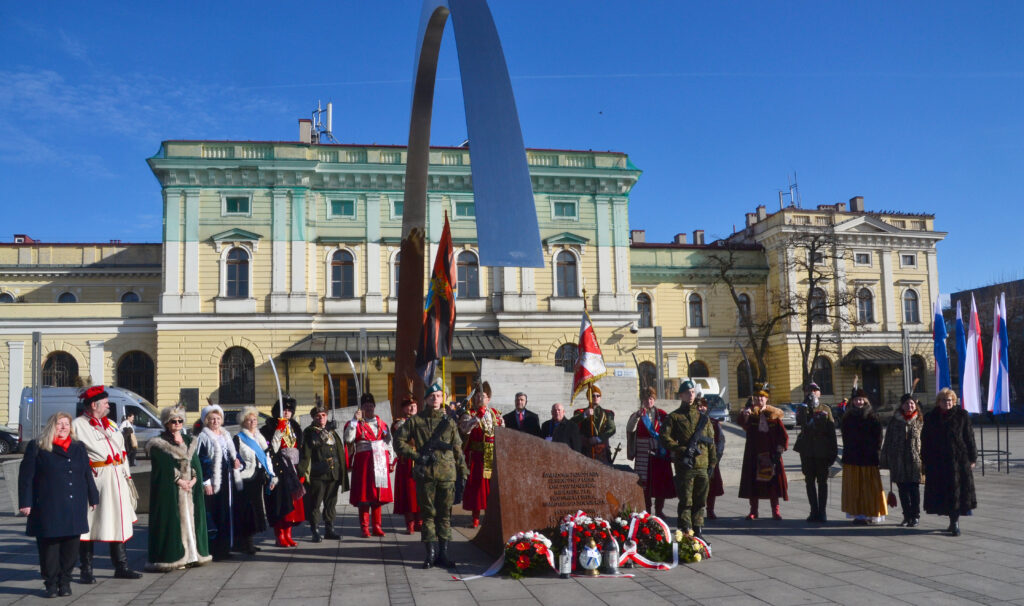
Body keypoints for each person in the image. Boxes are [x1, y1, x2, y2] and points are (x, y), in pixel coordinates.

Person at [19, 412, 99, 598]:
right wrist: (25, 503)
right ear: (51, 426)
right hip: (49, 505)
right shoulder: (38, 446)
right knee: (50, 549)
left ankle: (65, 582)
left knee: (71, 548)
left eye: (66, 424)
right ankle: (51, 584)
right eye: (59, 424)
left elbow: (86, 473)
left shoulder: (78, 447)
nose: (63, 427)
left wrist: (93, 496)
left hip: (74, 504)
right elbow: (26, 478)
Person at [394, 380, 469, 569]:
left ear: (443, 398)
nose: (435, 399)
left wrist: (463, 470)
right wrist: (416, 456)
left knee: (444, 516)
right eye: (432, 396)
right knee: (428, 515)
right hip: (426, 474)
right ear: (426, 399)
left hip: (447, 474)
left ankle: (444, 553)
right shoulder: (416, 421)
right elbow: (398, 441)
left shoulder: (450, 422)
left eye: (438, 396)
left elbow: (457, 448)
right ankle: (430, 554)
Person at [72, 385, 141, 583]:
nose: (108, 406)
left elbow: (122, 451)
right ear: (94, 405)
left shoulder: (110, 424)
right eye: (105, 403)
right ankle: (86, 570)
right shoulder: (77, 425)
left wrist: (128, 477)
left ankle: (121, 566)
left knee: (118, 521)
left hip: (117, 478)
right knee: (90, 524)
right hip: (96, 480)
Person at [145, 406, 212, 571]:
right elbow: (163, 468)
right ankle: (177, 557)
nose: (177, 424)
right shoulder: (159, 443)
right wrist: (179, 481)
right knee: (176, 523)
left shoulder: (189, 441)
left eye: (180, 421)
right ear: (167, 423)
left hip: (190, 490)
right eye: (173, 421)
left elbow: (195, 463)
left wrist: (194, 479)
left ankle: (193, 556)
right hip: (173, 491)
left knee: (192, 520)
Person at [660, 380, 717, 543]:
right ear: (681, 396)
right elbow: (664, 438)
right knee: (686, 501)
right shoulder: (674, 417)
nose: (690, 395)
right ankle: (686, 532)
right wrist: (681, 449)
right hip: (686, 466)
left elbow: (710, 442)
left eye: (692, 392)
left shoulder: (703, 418)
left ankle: (698, 531)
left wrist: (712, 463)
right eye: (687, 393)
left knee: (700, 502)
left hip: (703, 465)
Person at [921, 388, 977, 537]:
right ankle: (951, 520)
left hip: (958, 460)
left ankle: (955, 522)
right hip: (937, 461)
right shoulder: (931, 417)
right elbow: (925, 439)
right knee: (943, 493)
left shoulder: (961, 415)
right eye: (944, 400)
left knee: (956, 492)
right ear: (938, 402)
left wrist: (972, 458)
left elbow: (969, 437)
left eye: (950, 400)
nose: (947, 403)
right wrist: (925, 459)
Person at [195, 404, 242, 560]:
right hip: (214, 479)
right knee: (215, 513)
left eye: (218, 418)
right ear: (206, 421)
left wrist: (237, 462)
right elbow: (202, 460)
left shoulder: (226, 435)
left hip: (227, 479)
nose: (215, 421)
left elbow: (233, 454)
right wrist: (206, 482)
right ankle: (215, 549)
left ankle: (226, 547)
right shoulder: (203, 437)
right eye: (212, 419)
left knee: (227, 513)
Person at [737, 383, 788, 520]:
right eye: (757, 397)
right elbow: (744, 425)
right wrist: (745, 417)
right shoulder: (751, 414)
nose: (759, 399)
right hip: (753, 454)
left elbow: (783, 436)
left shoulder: (774, 415)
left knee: (773, 484)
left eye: (762, 397)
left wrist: (779, 450)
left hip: (770, 454)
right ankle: (753, 511)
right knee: (753, 483)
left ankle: (775, 511)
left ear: (766, 399)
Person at [261, 397, 305, 547]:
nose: (286, 413)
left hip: (293, 469)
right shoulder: (269, 428)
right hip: (279, 468)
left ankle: (288, 534)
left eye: (289, 410)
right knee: (280, 503)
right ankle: (279, 535)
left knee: (293, 505)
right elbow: (270, 449)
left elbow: (300, 448)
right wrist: (278, 431)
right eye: (284, 410)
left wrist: (301, 470)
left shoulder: (295, 427)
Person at [626, 387, 676, 517]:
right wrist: (636, 417)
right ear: (642, 400)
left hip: (660, 455)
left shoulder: (663, 415)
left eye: (651, 398)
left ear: (654, 399)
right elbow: (630, 429)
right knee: (644, 485)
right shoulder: (637, 415)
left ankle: (659, 510)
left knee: (661, 483)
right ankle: (646, 510)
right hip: (644, 455)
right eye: (646, 399)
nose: (649, 401)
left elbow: (670, 433)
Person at [459, 381, 503, 528]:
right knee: (476, 488)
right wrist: (477, 417)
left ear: (488, 398)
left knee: (492, 487)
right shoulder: (469, 414)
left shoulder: (495, 413)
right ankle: (476, 518)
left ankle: (492, 517)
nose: (479, 399)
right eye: (477, 396)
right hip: (476, 456)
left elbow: (502, 430)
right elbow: (465, 429)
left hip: (492, 454)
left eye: (483, 396)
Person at [840, 389, 887, 524]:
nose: (859, 402)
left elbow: (879, 436)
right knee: (854, 488)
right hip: (852, 457)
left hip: (868, 457)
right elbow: (845, 437)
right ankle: (858, 515)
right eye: (856, 400)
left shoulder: (873, 416)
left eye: (861, 399)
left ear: (865, 401)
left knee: (870, 488)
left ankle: (870, 513)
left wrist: (877, 452)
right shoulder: (847, 417)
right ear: (853, 401)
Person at [302, 404, 349, 541]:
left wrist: (341, 470)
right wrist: (327, 429)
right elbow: (314, 444)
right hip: (318, 473)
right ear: (313, 418)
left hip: (333, 472)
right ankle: (315, 530)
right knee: (315, 503)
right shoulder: (309, 431)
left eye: (323, 415)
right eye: (318, 416)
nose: (321, 418)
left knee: (331, 503)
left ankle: (330, 529)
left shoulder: (332, 432)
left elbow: (338, 450)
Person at [793, 382, 838, 523]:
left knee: (822, 482)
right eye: (809, 390)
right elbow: (800, 422)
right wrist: (805, 406)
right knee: (809, 482)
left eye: (815, 390)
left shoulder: (825, 408)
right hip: (807, 452)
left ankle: (822, 512)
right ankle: (813, 510)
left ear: (819, 393)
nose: (812, 393)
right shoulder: (803, 407)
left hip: (822, 452)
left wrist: (833, 452)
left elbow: (831, 431)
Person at [234, 406, 275, 554]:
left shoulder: (260, 437)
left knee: (256, 510)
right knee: (247, 511)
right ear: (243, 422)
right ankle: (245, 543)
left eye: (254, 420)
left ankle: (249, 541)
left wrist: (272, 475)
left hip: (258, 478)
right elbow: (234, 457)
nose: (252, 422)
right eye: (249, 420)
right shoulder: (238, 438)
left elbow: (267, 457)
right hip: (246, 479)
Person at [880, 393, 924, 528]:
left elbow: (927, 441)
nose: (909, 406)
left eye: (912, 403)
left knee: (914, 489)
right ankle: (906, 516)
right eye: (906, 403)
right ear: (902, 405)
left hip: (915, 461)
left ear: (915, 405)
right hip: (898, 460)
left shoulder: (920, 421)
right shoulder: (895, 421)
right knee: (902, 490)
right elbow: (888, 441)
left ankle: (915, 516)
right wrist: (885, 459)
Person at [392, 396, 422, 535]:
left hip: (420, 459)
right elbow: (400, 431)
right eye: (409, 406)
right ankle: (410, 523)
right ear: (404, 408)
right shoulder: (399, 422)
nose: (412, 408)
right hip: (407, 461)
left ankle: (420, 521)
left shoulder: (421, 420)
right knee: (408, 493)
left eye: (414, 405)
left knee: (421, 491)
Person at [697, 396, 726, 520]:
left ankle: (710, 510)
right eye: (698, 406)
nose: (701, 408)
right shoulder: (691, 422)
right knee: (698, 487)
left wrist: (716, 457)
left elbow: (721, 441)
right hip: (697, 460)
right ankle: (697, 511)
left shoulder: (714, 423)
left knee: (712, 487)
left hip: (711, 460)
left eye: (703, 406)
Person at [572, 384, 616, 464]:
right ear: (588, 397)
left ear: (600, 398)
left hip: (602, 450)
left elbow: (612, 429)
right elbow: (571, 423)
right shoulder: (580, 412)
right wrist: (585, 415)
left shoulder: (608, 413)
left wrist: (598, 439)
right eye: (593, 395)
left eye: (598, 396)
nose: (595, 397)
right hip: (585, 450)